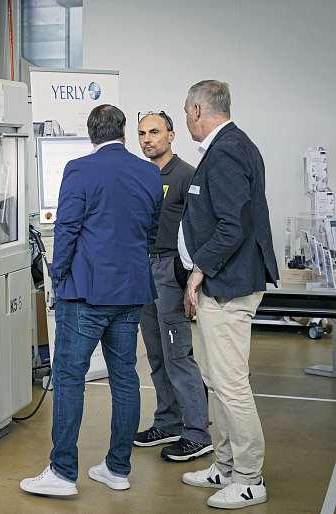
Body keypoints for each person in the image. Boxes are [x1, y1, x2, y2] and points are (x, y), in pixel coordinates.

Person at [20, 105, 163, 497]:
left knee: (69, 378)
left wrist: (58, 276)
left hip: (86, 292)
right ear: (123, 132)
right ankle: (117, 468)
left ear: (91, 134)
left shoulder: (79, 170)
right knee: (125, 378)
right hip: (131, 291)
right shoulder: (149, 172)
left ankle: (63, 472)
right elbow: (150, 231)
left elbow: (66, 229)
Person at [178, 80, 279, 510]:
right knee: (215, 382)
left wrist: (198, 270)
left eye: (186, 112)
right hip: (221, 285)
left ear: (198, 110)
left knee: (231, 385)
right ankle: (225, 465)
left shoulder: (227, 151)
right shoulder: (230, 146)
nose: (186, 120)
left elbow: (232, 226)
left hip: (227, 287)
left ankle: (249, 478)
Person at [135, 111, 212, 462]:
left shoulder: (185, 175)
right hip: (142, 269)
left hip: (171, 269)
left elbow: (200, 228)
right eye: (141, 133)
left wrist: (192, 278)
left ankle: (197, 432)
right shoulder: (140, 175)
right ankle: (167, 422)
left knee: (177, 354)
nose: (147, 139)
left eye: (154, 132)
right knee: (155, 354)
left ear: (171, 134)